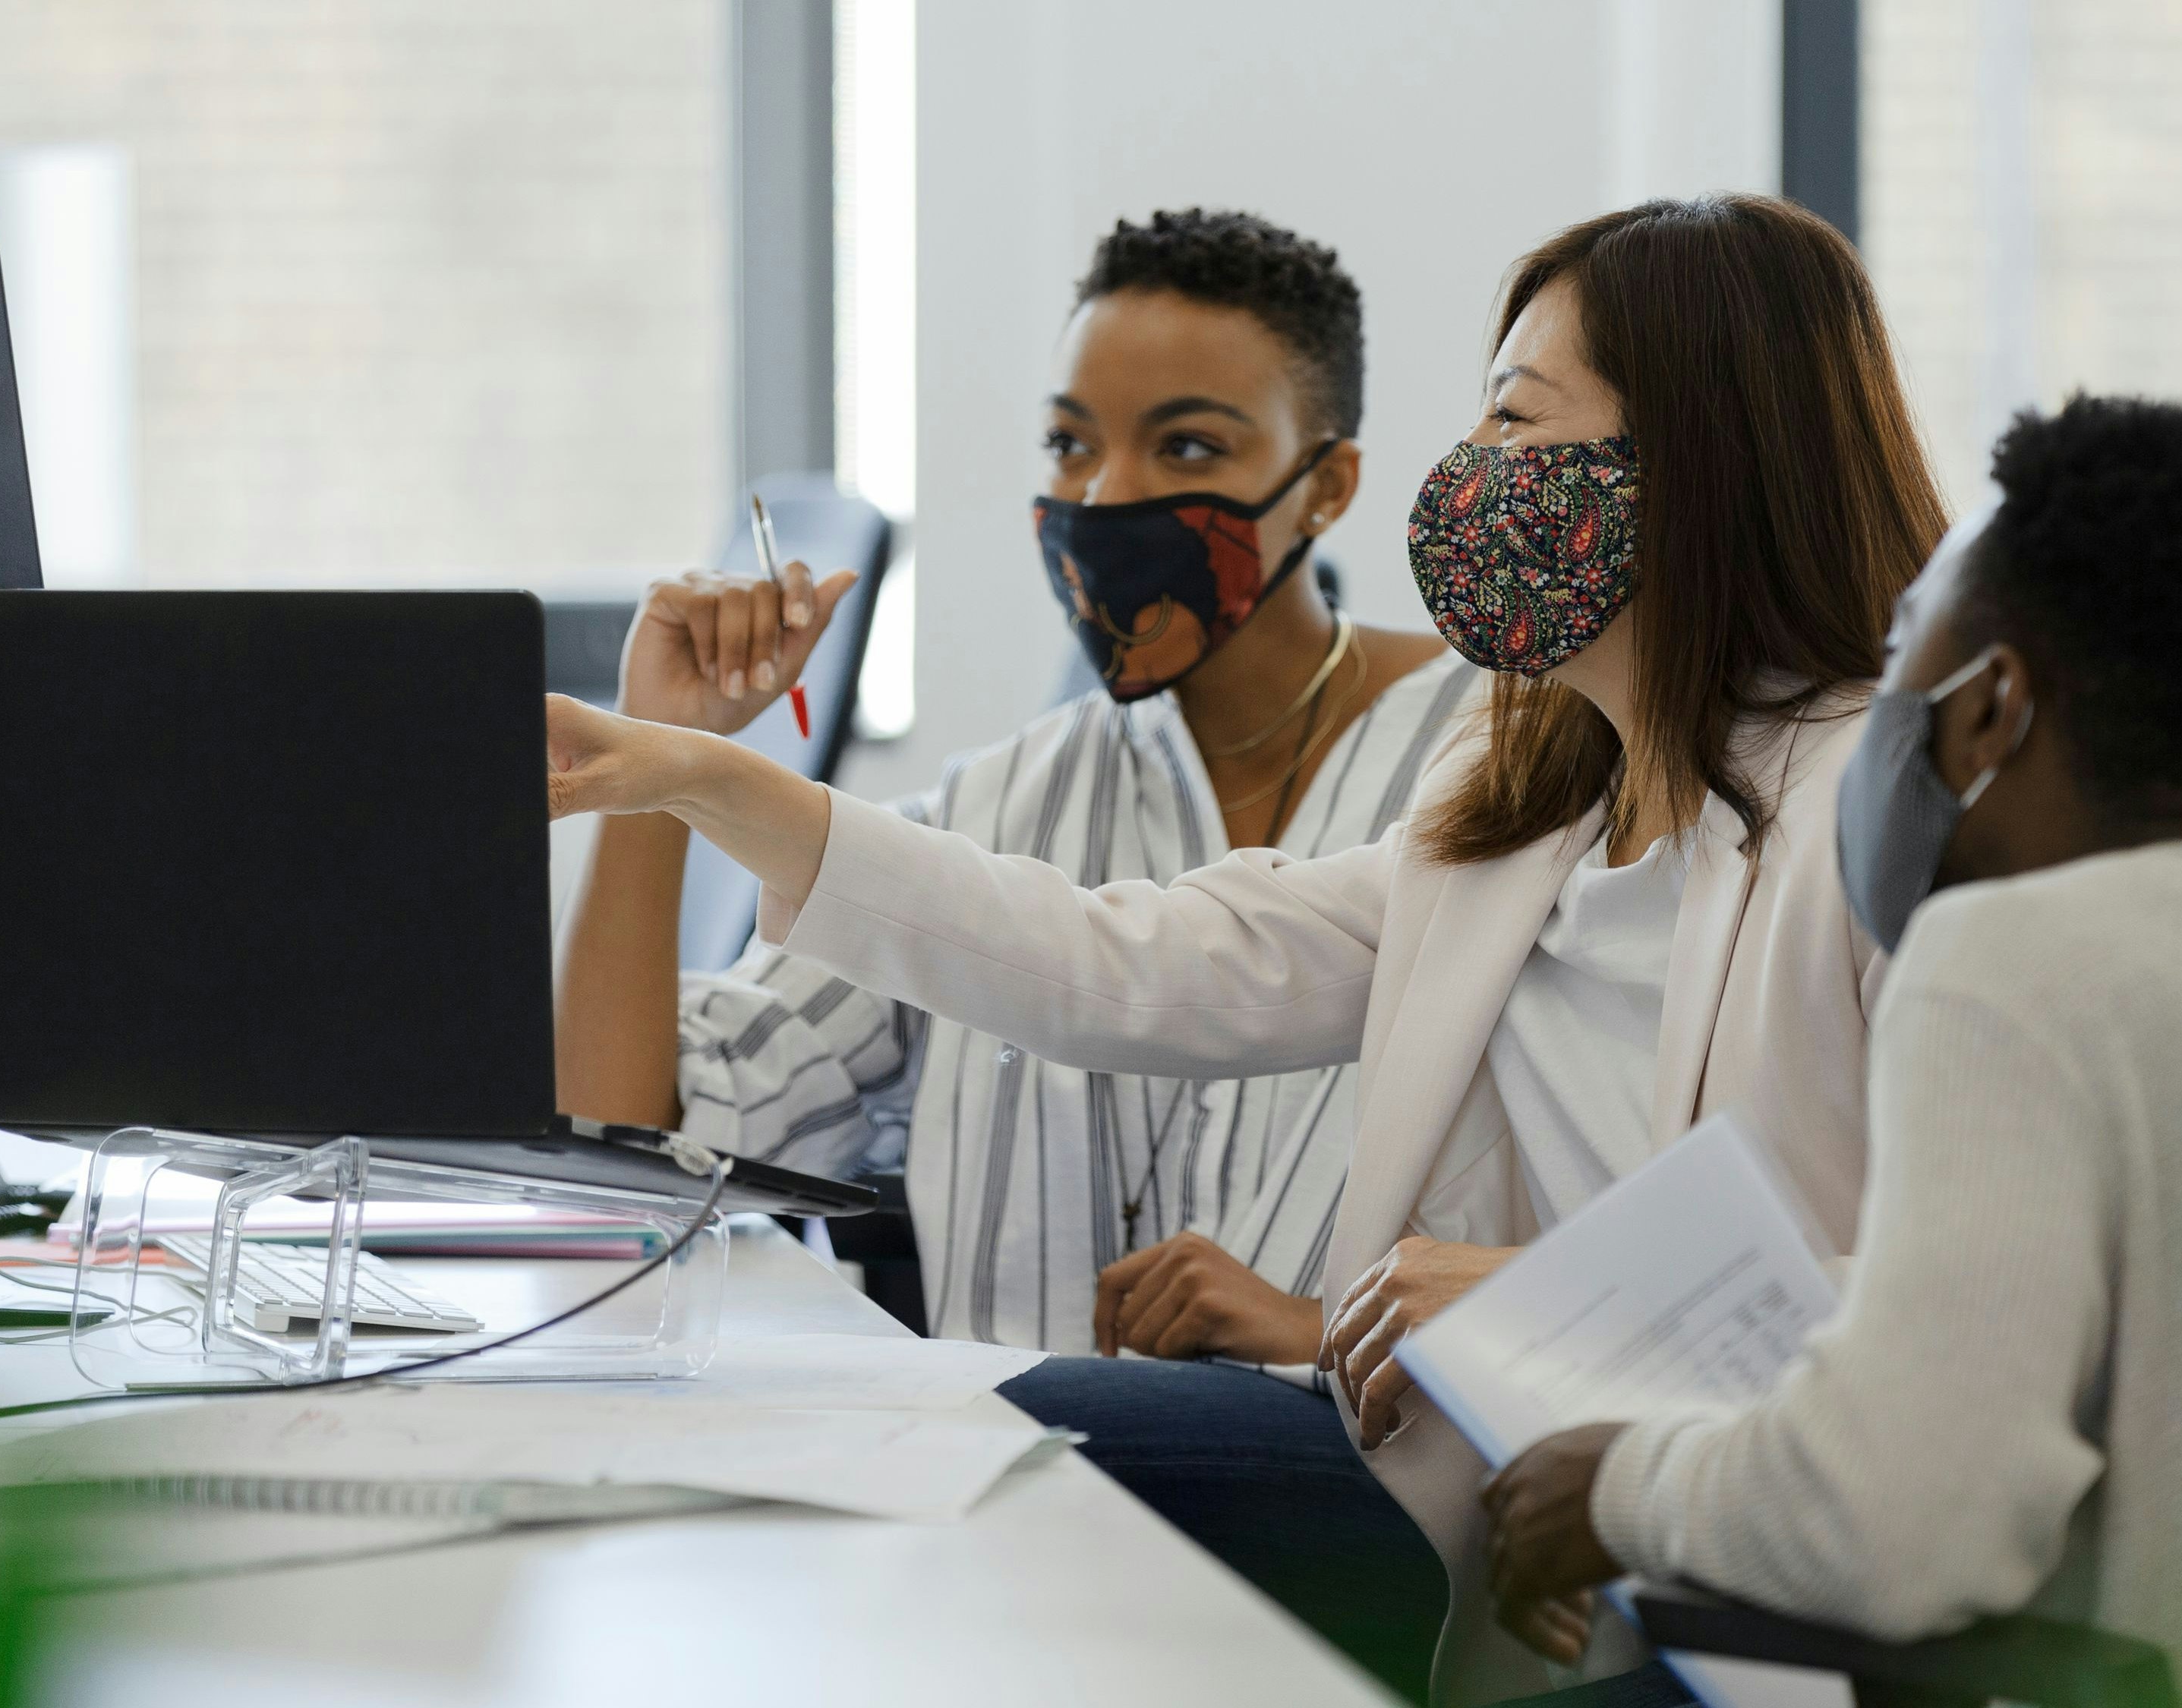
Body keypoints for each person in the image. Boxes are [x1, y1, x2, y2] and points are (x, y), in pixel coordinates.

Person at [541, 194, 1948, 1703]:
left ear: (1701, 465)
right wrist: (702, 777)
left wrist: (1554, 1307)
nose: (1471, 472)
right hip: (1519, 1538)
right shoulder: (1513, 813)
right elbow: (1120, 963)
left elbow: (1986, 1311)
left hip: (1766, 1572)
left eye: (1516, 420)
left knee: (1024, 1452)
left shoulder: (1887, 816)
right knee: (956, 1446)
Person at [1478, 395, 2182, 1708]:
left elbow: (1902, 1522)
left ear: (1992, 706)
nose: (1881, 701)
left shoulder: (2013, 962)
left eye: (1903, 644)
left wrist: (1615, 1487)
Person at [551, 210, 1469, 1697]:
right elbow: (626, 1142)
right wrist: (660, 764)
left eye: (1185, 448)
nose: (1105, 498)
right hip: (988, 1586)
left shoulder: (1496, 774)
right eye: (1068, 446)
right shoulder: (1006, 804)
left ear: (1330, 482)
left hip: (1348, 1556)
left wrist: (1317, 1327)